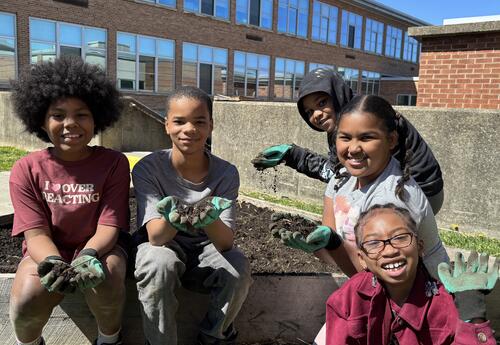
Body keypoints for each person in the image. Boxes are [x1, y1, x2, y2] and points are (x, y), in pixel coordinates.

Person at [9, 56, 130, 345]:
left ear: (97, 118)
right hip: (50, 250)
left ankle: (109, 339)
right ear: (40, 119)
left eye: (82, 114)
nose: (70, 124)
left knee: (107, 279)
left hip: (101, 249)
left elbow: (109, 225)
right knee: (27, 298)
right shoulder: (26, 169)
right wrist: (54, 262)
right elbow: (36, 233)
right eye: (58, 115)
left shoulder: (114, 163)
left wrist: (88, 256)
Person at [275, 95, 449, 280]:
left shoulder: (393, 201)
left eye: (366, 137)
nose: (354, 148)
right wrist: (317, 242)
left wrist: (332, 244)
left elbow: (382, 280)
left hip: (417, 297)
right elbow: (334, 248)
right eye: (345, 137)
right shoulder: (341, 178)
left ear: (391, 140)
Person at [132, 86, 252, 345]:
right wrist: (177, 217)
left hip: (207, 248)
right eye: (179, 121)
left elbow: (225, 243)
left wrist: (208, 219)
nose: (189, 129)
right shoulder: (148, 169)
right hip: (165, 245)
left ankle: (213, 335)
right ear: (166, 125)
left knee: (238, 266)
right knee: (157, 263)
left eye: (199, 121)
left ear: (211, 126)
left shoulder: (226, 173)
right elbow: (155, 236)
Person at [252, 68, 444, 215]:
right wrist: (293, 156)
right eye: (309, 112)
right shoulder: (339, 124)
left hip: (418, 191)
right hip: (393, 187)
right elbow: (338, 172)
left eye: (321, 103)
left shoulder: (362, 115)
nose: (316, 114)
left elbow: (348, 176)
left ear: (337, 94)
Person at [326, 203, 498, 344]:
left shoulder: (444, 304)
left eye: (400, 237)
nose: (389, 250)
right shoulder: (348, 298)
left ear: (420, 247)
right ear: (362, 259)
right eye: (374, 243)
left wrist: (472, 310)